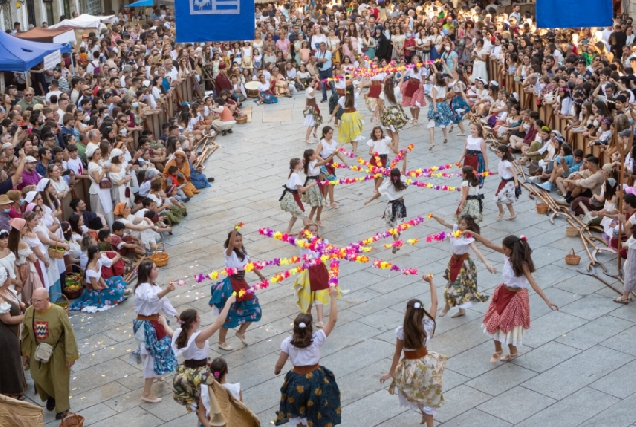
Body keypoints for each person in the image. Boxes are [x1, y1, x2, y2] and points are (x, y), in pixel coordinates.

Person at [471, 234, 558, 362]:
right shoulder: (507, 254)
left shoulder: (522, 264)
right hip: (503, 292)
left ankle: (513, 352)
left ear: (512, 248)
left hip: (516, 297)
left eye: (505, 248)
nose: (503, 250)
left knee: (509, 325)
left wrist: (547, 300)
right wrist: (473, 234)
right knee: (494, 320)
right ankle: (498, 350)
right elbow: (489, 243)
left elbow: (533, 283)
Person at [380, 275, 447, 427]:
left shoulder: (402, 331)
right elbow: (435, 303)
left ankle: (427, 420)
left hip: (410, 367)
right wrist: (431, 282)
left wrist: (391, 372)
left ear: (407, 313)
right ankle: (427, 418)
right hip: (427, 363)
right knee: (427, 393)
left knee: (415, 393)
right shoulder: (428, 325)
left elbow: (397, 353)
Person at [274, 287, 341, 427]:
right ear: (310, 328)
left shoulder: (287, 342)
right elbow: (333, 320)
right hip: (316, 379)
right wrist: (333, 297)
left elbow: (280, 363)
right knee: (317, 411)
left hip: (296, 381)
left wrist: (277, 370)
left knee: (298, 412)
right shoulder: (317, 339)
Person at [171, 300, 235, 427]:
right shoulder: (198, 337)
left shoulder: (180, 333)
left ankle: (200, 421)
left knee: (200, 407)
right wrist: (228, 303)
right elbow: (219, 323)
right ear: (193, 323)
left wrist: (163, 323)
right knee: (207, 405)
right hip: (200, 375)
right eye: (198, 317)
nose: (200, 319)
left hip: (186, 373)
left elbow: (169, 332)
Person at [21, 287, 78, 419]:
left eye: (39, 301)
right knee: (37, 375)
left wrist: (71, 355)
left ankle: (62, 408)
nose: (35, 303)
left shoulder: (58, 312)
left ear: (47, 299)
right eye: (33, 300)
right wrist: (25, 352)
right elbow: (25, 333)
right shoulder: (30, 311)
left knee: (59, 379)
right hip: (37, 349)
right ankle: (51, 395)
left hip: (57, 350)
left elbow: (69, 333)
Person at [208, 226, 265, 351]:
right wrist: (235, 229)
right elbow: (230, 245)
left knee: (255, 309)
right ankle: (221, 342)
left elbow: (251, 265)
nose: (239, 243)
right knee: (227, 314)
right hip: (231, 286)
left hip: (242, 284)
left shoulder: (243, 253)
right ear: (231, 242)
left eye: (240, 240)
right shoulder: (229, 254)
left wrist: (260, 275)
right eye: (236, 240)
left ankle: (241, 331)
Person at [431, 214, 495, 318]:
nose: (460, 225)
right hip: (454, 261)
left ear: (468, 226)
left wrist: (487, 264)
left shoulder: (468, 238)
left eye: (463, 224)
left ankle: (447, 306)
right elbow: (444, 222)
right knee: (459, 286)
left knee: (454, 286)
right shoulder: (456, 229)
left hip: (463, 265)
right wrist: (434, 216)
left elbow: (476, 251)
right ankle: (462, 310)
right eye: (460, 223)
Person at [133, 260, 178, 403]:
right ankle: (146, 393)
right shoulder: (142, 288)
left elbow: (164, 302)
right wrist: (166, 290)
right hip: (147, 326)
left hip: (155, 323)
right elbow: (151, 298)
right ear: (148, 273)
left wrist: (177, 315)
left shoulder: (154, 286)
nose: (157, 270)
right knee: (151, 356)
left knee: (153, 353)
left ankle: (157, 374)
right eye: (154, 269)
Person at [293, 224, 341, 327]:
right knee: (308, 295)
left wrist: (348, 248)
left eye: (315, 230)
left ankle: (320, 320)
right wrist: (300, 234)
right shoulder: (305, 243)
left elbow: (332, 246)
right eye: (311, 231)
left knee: (319, 294)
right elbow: (298, 241)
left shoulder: (322, 242)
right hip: (308, 271)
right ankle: (308, 317)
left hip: (320, 270)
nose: (314, 232)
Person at [365, 154, 408, 253]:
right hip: (400, 207)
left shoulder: (388, 184)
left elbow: (378, 194)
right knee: (399, 226)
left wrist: (369, 200)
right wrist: (405, 157)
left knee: (392, 226)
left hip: (391, 207)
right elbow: (404, 168)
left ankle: (395, 241)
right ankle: (396, 241)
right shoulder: (402, 180)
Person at [69, 245, 130, 311]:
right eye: (99, 252)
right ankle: (121, 292)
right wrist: (106, 288)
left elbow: (100, 276)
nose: (100, 253)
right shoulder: (90, 270)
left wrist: (105, 285)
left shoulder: (98, 262)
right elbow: (95, 287)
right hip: (94, 291)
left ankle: (120, 292)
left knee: (118, 278)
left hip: (100, 284)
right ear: (95, 254)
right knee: (114, 291)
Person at [0, 266, 26, 401]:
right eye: (8, 276)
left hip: (14, 332)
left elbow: (15, 302)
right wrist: (28, 317)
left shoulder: (7, 291)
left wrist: (21, 305)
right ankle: (13, 392)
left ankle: (19, 386)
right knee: (10, 361)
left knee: (15, 358)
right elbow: (7, 319)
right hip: (5, 335)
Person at [280, 158, 316, 234]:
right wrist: (311, 184)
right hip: (292, 198)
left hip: (291, 196)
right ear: (297, 165)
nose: (303, 164)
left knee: (295, 214)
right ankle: (309, 234)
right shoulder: (295, 176)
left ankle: (288, 231)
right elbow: (302, 189)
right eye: (301, 163)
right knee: (304, 215)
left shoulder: (292, 174)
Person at [330, 84, 364, 155]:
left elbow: (336, 108)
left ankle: (353, 149)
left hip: (345, 117)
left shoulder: (342, 98)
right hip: (354, 116)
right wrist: (362, 82)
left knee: (348, 134)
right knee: (355, 134)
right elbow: (360, 89)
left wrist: (331, 117)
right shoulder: (355, 96)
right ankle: (354, 151)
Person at [375, 76, 408, 148]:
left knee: (387, 128)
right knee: (395, 130)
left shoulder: (383, 93)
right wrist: (402, 73)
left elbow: (378, 105)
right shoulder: (396, 90)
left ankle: (393, 141)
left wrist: (373, 115)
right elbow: (401, 81)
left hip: (387, 112)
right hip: (396, 111)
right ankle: (396, 145)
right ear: (393, 84)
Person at [458, 123, 488, 188]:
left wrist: (486, 167)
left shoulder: (481, 141)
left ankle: (475, 187)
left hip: (477, 159)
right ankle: (466, 186)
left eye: (474, 129)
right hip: (468, 158)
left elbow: (484, 153)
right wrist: (460, 160)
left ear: (478, 131)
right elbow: (464, 150)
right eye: (471, 129)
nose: (472, 130)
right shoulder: (468, 139)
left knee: (475, 173)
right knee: (467, 173)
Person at [493, 145, 519, 221]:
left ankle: (501, 212)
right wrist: (493, 173)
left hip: (508, 183)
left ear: (503, 153)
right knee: (507, 199)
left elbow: (514, 173)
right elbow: (502, 171)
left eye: (498, 152)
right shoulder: (502, 161)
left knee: (498, 198)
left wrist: (516, 182)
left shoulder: (507, 163)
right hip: (504, 182)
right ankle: (512, 214)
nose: (497, 153)